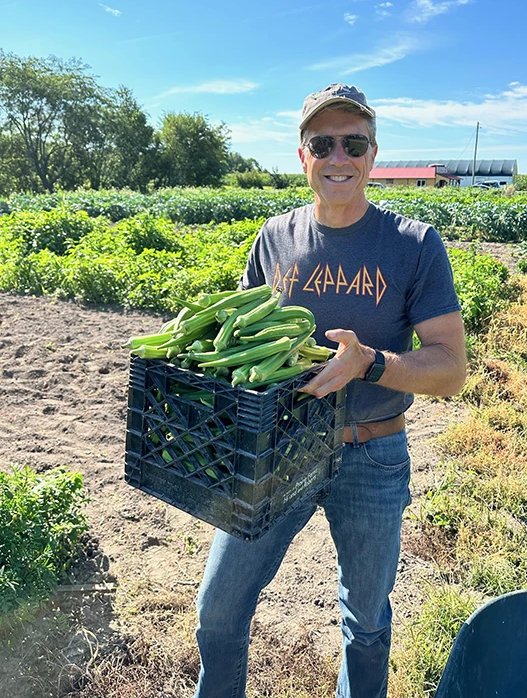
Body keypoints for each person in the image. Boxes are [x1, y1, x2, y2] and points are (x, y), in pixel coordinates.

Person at [192, 83, 467, 698]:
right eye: (323, 143)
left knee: (366, 622)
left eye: (353, 143)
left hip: (372, 453)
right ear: (303, 156)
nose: (338, 156)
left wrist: (369, 364)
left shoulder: (414, 245)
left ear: (373, 155)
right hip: (278, 448)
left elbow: (450, 369)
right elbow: (240, 342)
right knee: (219, 610)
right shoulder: (274, 238)